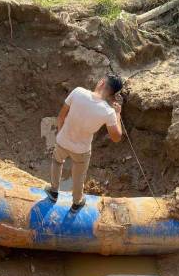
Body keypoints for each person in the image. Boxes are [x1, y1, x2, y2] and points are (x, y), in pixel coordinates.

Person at [45, 73, 123, 213]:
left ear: (101, 82)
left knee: (57, 162)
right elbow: (117, 137)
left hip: (62, 141)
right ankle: (76, 203)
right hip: (81, 150)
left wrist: (62, 134)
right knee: (79, 175)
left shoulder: (78, 92)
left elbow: (61, 116)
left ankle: (53, 191)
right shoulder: (109, 112)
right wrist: (118, 114)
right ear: (113, 94)